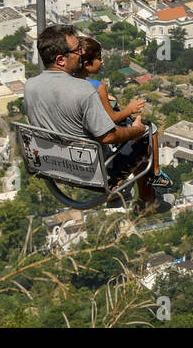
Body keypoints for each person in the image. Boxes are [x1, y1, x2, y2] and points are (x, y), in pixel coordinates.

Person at [23, 24, 163, 211]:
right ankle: (147, 201)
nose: (82, 52)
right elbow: (108, 136)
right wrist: (135, 131)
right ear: (61, 60)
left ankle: (121, 192)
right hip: (93, 172)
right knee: (146, 132)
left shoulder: (30, 86)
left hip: (53, 168)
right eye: (77, 49)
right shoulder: (85, 90)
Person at [72, 36, 170, 193]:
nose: (102, 62)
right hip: (102, 157)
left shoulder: (70, 82)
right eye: (98, 58)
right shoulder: (98, 87)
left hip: (79, 154)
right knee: (150, 129)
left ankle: (131, 194)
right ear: (87, 63)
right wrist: (130, 109)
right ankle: (155, 174)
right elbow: (112, 119)